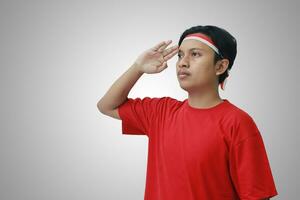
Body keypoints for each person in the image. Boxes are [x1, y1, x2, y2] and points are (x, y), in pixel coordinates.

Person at [97, 25, 278, 200]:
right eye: (180, 55)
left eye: (195, 54)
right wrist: (137, 68)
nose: (182, 63)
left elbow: (256, 195)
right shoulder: (160, 112)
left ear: (220, 66)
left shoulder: (237, 122)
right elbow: (107, 106)